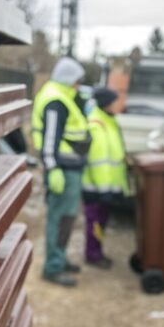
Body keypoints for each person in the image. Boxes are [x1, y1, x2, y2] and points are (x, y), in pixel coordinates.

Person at [32, 57, 92, 287]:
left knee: (66, 219)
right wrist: (53, 168)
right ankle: (53, 267)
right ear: (69, 80)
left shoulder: (61, 96)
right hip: (63, 172)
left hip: (69, 170)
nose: (79, 86)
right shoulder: (56, 101)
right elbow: (49, 141)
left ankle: (60, 258)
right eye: (77, 81)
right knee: (60, 219)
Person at [81, 87, 130, 269]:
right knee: (95, 223)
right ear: (105, 104)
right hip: (97, 189)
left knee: (101, 222)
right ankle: (93, 255)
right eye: (114, 102)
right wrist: (104, 190)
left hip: (107, 187)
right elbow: (98, 161)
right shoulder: (97, 124)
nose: (117, 105)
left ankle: (97, 252)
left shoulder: (109, 121)